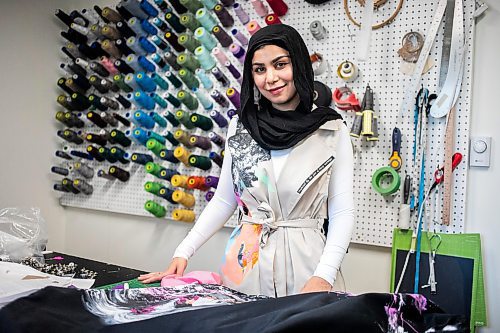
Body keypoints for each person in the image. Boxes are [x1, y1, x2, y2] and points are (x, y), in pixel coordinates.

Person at [139, 24, 355, 297]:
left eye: (280, 64)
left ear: (299, 64)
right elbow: (224, 201)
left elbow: (342, 212)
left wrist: (324, 275)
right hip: (245, 264)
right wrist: (183, 251)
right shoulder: (241, 128)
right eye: (260, 69)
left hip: (307, 267)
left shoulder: (331, 131)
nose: (271, 78)